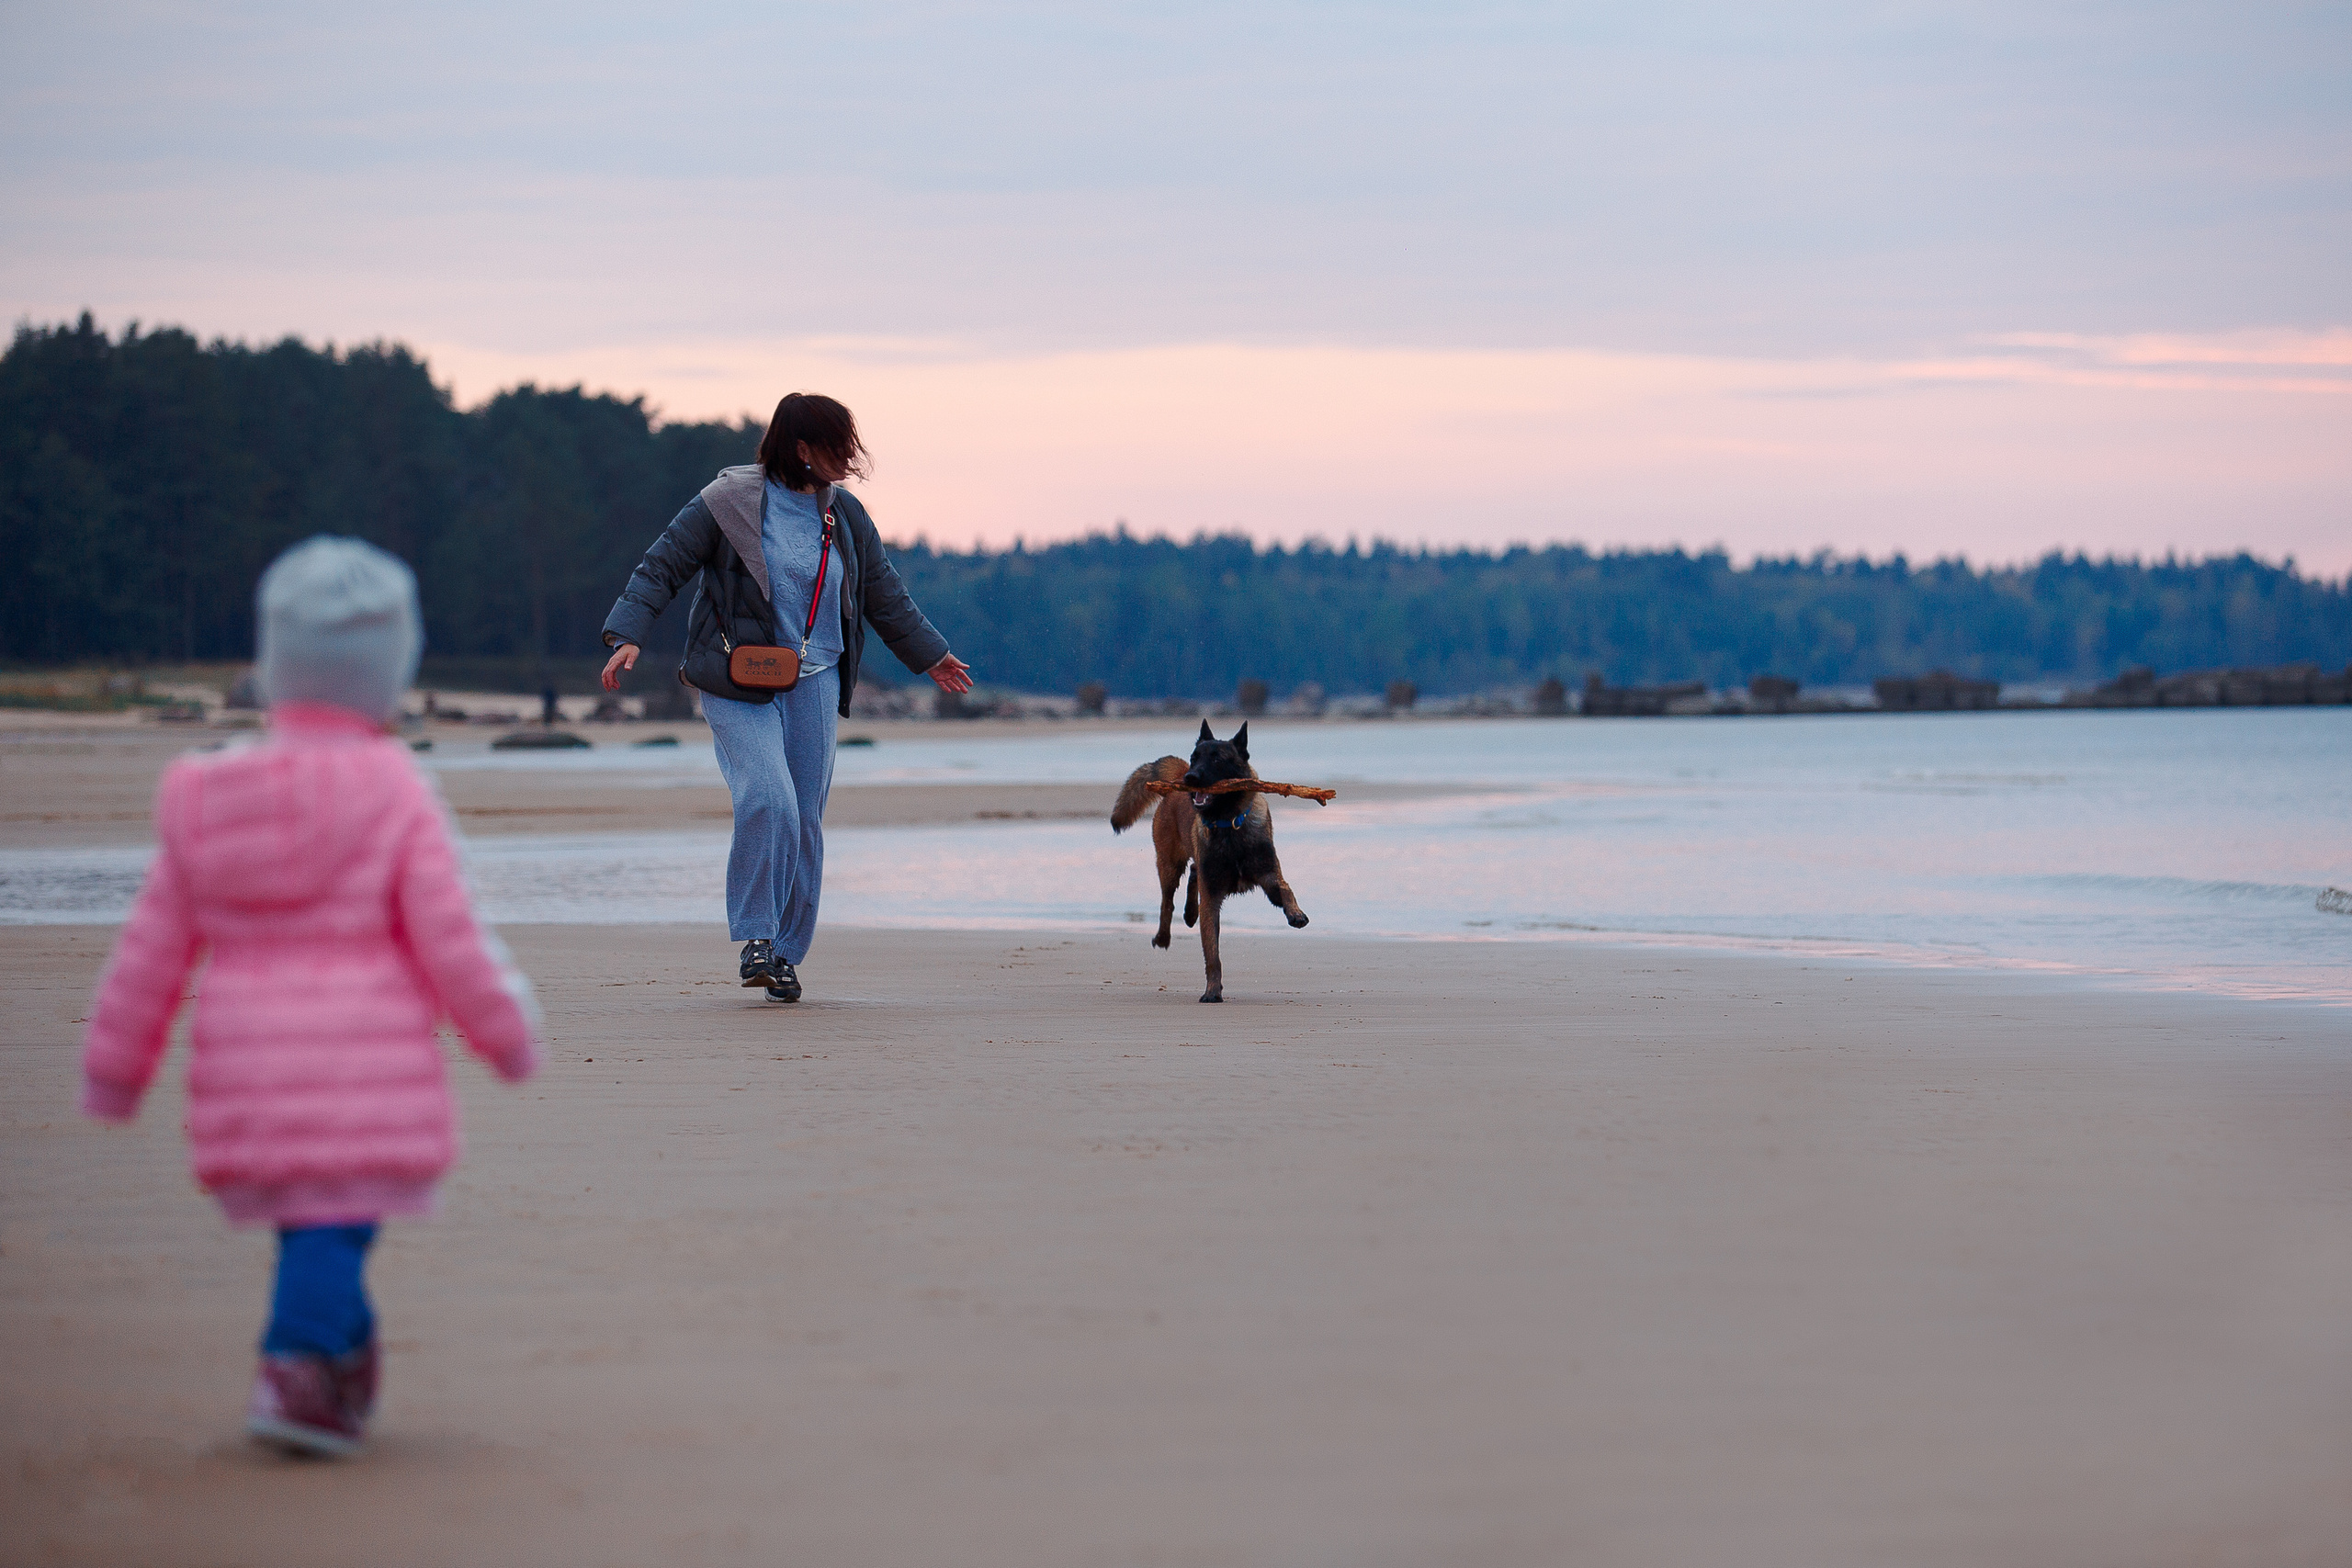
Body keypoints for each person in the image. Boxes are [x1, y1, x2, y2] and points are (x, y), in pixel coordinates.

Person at [80, 536, 542, 1458]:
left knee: (315, 1221)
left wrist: (115, 1069)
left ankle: (341, 1359)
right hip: (363, 1062)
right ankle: (294, 1368)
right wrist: (504, 1033)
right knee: (335, 1224)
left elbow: (153, 949)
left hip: (247, 1059)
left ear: (272, 662)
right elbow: (449, 935)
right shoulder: (396, 791)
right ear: (388, 676)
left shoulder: (206, 793)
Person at [599, 393, 972, 1001]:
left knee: (803, 818)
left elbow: (884, 593)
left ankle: (785, 952)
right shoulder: (727, 504)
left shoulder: (844, 515)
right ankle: (755, 939)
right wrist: (628, 634)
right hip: (736, 676)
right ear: (802, 449)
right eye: (837, 448)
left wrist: (930, 653)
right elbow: (660, 566)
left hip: (817, 678)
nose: (850, 460)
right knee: (767, 798)